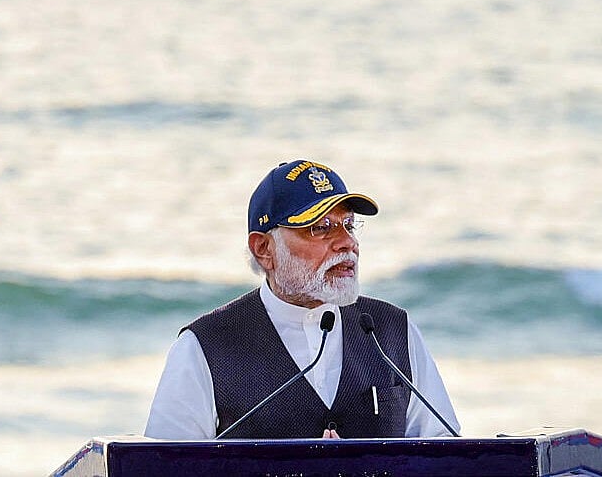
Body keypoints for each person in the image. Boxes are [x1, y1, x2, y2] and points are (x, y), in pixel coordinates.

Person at [145, 159, 460, 439]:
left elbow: (446, 456)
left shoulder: (394, 331)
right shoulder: (203, 346)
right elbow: (164, 468)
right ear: (263, 249)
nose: (347, 242)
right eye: (321, 228)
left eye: (349, 225)